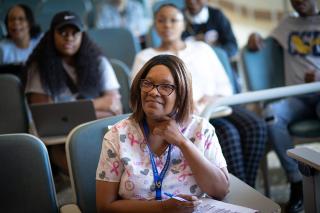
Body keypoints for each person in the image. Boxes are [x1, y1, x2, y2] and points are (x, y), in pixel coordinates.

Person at [131, 3, 267, 188]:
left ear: (183, 24)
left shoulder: (202, 49)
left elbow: (224, 87)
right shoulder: (144, 56)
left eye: (173, 20)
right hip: (182, 116)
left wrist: (206, 100)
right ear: (155, 25)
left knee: (256, 126)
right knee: (229, 135)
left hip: (217, 105)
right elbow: (141, 96)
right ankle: (236, 190)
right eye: (161, 20)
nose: (167, 25)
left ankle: (249, 186)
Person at [96, 54, 229, 212]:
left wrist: (182, 142)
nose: (153, 92)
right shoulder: (117, 135)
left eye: (166, 87)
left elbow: (221, 191)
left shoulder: (201, 129)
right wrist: (163, 208)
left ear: (181, 95)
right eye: (148, 84)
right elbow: (104, 206)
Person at [25, 11, 122, 174]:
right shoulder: (39, 67)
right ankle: (86, 184)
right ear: (52, 35)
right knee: (58, 147)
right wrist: (97, 107)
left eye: (74, 33)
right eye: (62, 32)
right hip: (58, 137)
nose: (69, 38)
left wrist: (67, 113)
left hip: (91, 129)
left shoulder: (99, 62)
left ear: (82, 35)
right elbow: (44, 117)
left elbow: (114, 105)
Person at [247, 0, 320, 212]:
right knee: (271, 115)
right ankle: (296, 181)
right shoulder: (287, 24)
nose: (299, 1)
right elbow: (264, 41)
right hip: (296, 97)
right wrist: (255, 37)